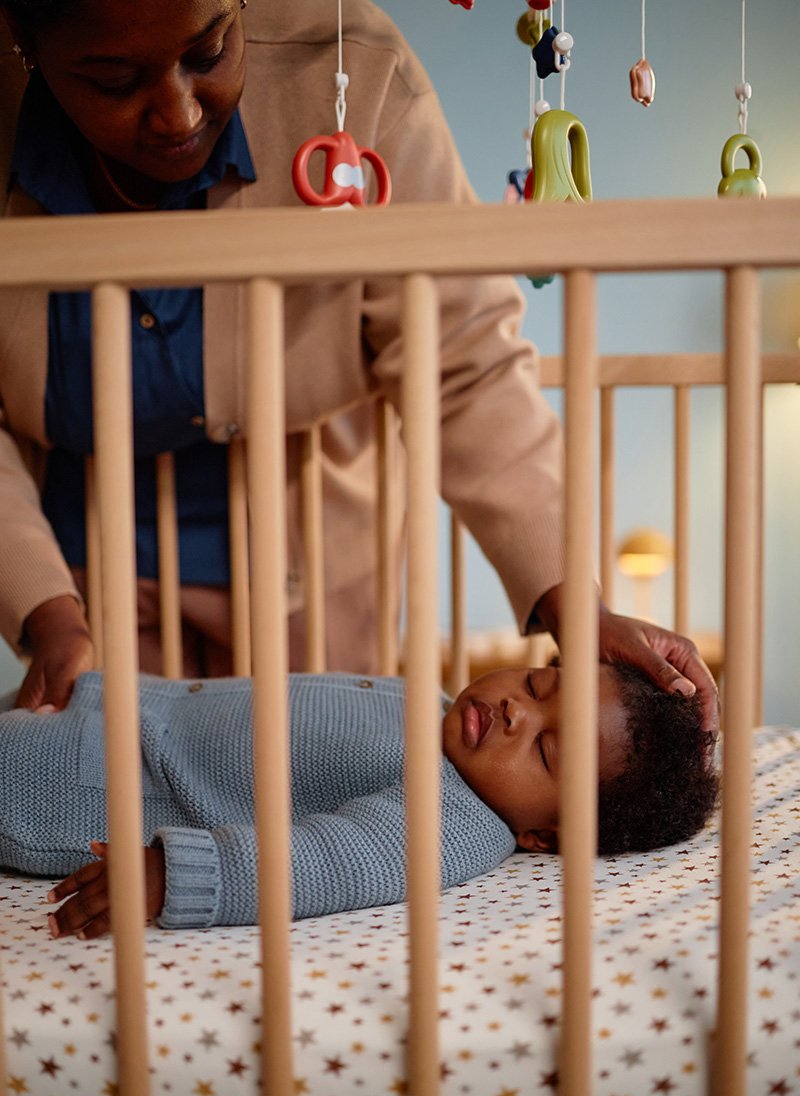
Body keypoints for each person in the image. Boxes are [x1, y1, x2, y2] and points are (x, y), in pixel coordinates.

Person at [0, 0, 718, 731]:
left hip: (316, 573)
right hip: (84, 581)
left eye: (210, 52)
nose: (179, 113)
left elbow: (464, 360)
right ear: (24, 40)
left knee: (311, 775)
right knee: (105, 785)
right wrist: (46, 610)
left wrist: (576, 603)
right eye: (115, 81)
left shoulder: (356, 70)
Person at [0, 664, 718, 939]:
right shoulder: (436, 708)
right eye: (537, 684)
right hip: (88, 718)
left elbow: (333, 860)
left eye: (545, 749)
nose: (514, 711)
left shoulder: (456, 819)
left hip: (67, 782)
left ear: (545, 836)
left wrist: (176, 874)